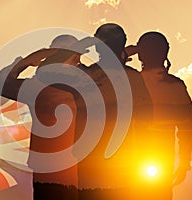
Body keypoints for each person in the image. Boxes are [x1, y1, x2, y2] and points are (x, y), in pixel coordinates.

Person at [37, 23, 153, 200]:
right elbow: (147, 119)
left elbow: (45, 72)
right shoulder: (132, 77)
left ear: (96, 45)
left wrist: (82, 46)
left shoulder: (83, 76)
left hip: (96, 161)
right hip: (119, 160)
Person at [0, 35, 82, 200]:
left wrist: (24, 63)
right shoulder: (86, 84)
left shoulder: (35, 87)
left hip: (46, 166)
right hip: (73, 166)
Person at [126, 31, 192, 200]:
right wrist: (185, 162)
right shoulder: (175, 86)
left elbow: (107, 68)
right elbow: (188, 126)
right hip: (159, 162)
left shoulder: (128, 82)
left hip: (128, 162)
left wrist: (126, 53)